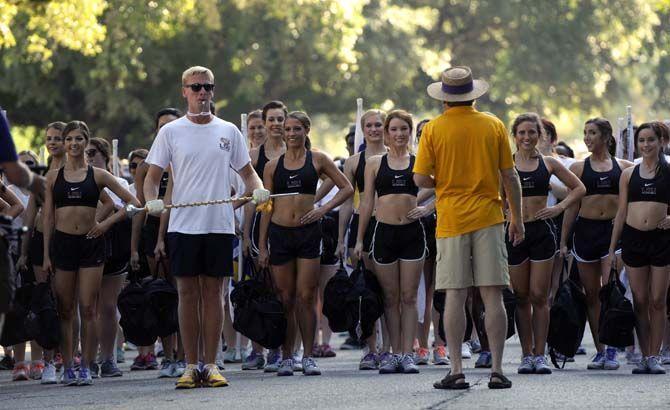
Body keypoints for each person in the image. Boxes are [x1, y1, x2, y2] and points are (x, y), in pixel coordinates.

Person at [144, 66, 269, 389]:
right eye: (196, 87)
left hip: (219, 224)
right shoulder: (171, 132)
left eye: (207, 87)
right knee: (186, 293)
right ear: (184, 91)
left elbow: (248, 173)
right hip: (183, 226)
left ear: (213, 91)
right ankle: (189, 365)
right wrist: (152, 201)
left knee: (214, 294)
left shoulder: (228, 131)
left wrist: (256, 189)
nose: (202, 93)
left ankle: (211, 364)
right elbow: (152, 177)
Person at [414, 66, 521, 390]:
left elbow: (419, 179)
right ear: (473, 94)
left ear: (444, 99)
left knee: (455, 297)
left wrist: (443, 183)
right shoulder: (493, 125)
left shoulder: (433, 129)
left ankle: (457, 369)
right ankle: (498, 370)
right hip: (489, 217)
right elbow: (510, 176)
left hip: (451, 220)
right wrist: (516, 218)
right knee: (492, 296)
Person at [42, 121, 140, 386]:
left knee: (88, 307)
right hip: (62, 245)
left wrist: (104, 224)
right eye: (69, 139)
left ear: (86, 142)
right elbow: (48, 218)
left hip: (90, 244)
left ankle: (86, 365)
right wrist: (46, 255)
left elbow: (132, 203)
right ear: (64, 143)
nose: (74, 144)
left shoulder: (97, 175)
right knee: (64, 309)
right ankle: (68, 366)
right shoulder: (52, 177)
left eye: (79, 139)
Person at [258, 110, 353, 376]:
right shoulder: (272, 166)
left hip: (309, 234)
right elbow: (266, 207)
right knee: (285, 298)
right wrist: (262, 245)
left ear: (306, 131)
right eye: (287, 129)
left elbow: (346, 187)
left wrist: (323, 210)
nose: (290, 134)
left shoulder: (319, 159)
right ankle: (287, 356)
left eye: (296, 129)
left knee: (307, 296)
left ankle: (308, 356)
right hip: (280, 233)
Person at [506, 113, 585, 374]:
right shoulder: (505, 164)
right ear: (514, 136)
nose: (527, 137)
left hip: (541, 233)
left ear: (540, 135)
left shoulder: (549, 163)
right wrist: (507, 220)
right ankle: (526, 354)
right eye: (522, 133)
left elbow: (579, 188)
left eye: (532, 132)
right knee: (521, 297)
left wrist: (558, 207)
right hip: (515, 233)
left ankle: (540, 354)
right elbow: (495, 198)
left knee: (540, 296)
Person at [355, 109, 430, 374]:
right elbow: (366, 202)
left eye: (404, 129)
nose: (399, 134)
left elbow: (446, 187)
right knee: (389, 297)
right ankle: (392, 352)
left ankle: (407, 353)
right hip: (384, 233)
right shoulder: (375, 163)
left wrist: (428, 209)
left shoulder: (420, 161)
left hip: (412, 234)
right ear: (387, 134)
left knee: (409, 297)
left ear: (410, 132)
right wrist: (360, 239)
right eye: (394, 129)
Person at [560, 118, 633, 370]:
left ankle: (613, 349)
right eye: (585, 133)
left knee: (611, 290)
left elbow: (627, 208)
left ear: (606, 136)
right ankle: (600, 349)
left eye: (592, 133)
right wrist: (563, 241)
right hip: (585, 234)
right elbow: (571, 208)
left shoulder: (623, 167)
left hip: (612, 234)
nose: (587, 137)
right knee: (592, 296)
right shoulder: (579, 169)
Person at [605, 121, 670, 375]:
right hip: (633, 240)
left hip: (662, 240)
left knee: (658, 300)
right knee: (640, 302)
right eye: (641, 140)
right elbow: (621, 212)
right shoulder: (628, 174)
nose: (646, 145)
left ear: (660, 141)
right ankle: (645, 355)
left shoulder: (668, 171)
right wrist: (612, 249)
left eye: (650, 140)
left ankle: (655, 355)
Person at [131, 108, 182, 376]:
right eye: (162, 125)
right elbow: (141, 209)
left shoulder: (183, 158)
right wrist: (134, 248)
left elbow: (171, 203)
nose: (166, 130)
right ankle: (169, 356)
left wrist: (164, 237)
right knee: (160, 294)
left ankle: (185, 355)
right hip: (152, 231)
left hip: (180, 227)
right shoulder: (146, 166)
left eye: (171, 125)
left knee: (181, 293)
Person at [336, 110, 388, 363]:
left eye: (379, 124)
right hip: (362, 225)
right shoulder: (354, 162)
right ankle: (370, 346)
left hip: (389, 223)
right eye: (369, 125)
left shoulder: (395, 156)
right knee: (367, 287)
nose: (374, 129)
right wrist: (341, 239)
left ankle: (391, 346)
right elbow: (346, 202)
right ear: (363, 129)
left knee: (390, 289)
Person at [242, 101, 287, 372]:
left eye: (280, 119)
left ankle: (279, 348)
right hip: (261, 223)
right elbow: (251, 200)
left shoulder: (295, 150)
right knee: (260, 288)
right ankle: (257, 348)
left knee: (281, 289)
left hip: (286, 226)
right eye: (271, 119)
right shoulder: (255, 156)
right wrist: (247, 236)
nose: (275, 124)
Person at [413, 118, 448, 366]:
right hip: (420, 227)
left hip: (445, 224)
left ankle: (441, 345)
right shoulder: (414, 162)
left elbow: (449, 188)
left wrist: (431, 197)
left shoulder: (446, 160)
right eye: (421, 133)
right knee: (422, 290)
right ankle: (422, 345)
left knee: (440, 289)